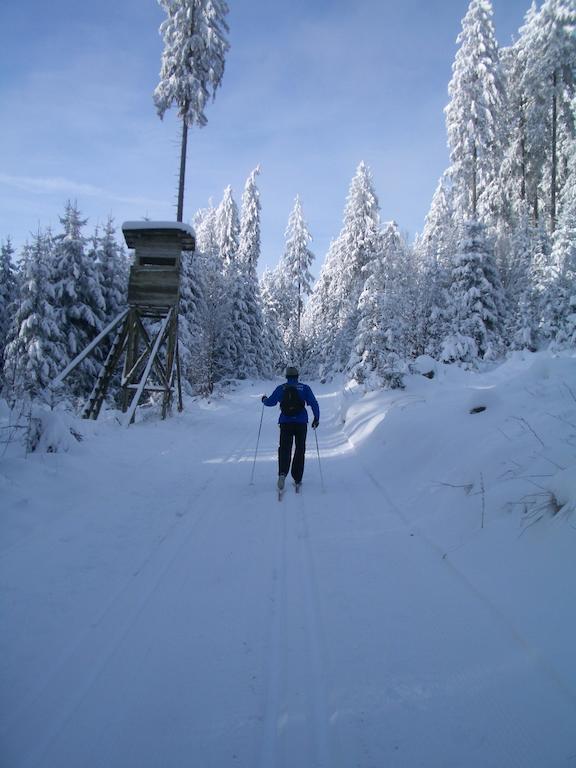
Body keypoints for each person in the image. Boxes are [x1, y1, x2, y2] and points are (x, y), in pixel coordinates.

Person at [262, 366, 320, 491]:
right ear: (297, 376)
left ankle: (282, 474)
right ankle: (297, 478)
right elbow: (314, 403)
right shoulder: (304, 388)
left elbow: (270, 402)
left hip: (285, 423)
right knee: (300, 449)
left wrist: (264, 400)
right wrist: (316, 418)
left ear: (287, 377)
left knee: (284, 448)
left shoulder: (281, 388)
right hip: (301, 423)